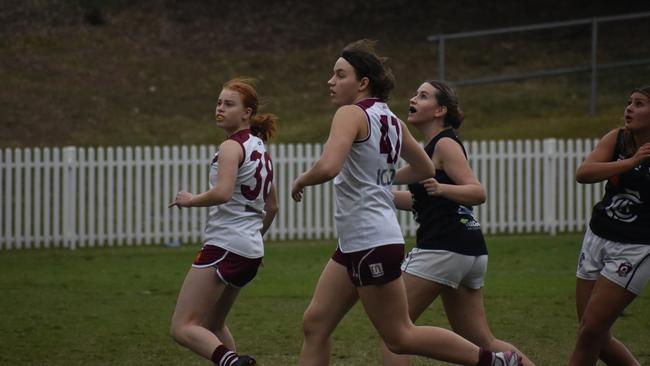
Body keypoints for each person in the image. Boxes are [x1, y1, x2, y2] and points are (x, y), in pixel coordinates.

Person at [291, 39, 522, 366]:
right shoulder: (391, 119)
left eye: (340, 75)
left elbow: (329, 166)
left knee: (400, 336)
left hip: (371, 240)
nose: (331, 81)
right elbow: (425, 169)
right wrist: (381, 179)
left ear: (363, 83)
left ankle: (493, 362)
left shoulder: (350, 114)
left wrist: (301, 179)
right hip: (356, 241)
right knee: (315, 323)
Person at [380, 80, 534, 366]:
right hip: (467, 249)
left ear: (440, 110)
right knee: (482, 340)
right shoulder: (428, 150)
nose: (413, 98)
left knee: (395, 331)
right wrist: (379, 194)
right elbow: (419, 201)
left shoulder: (446, 144)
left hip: (444, 248)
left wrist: (443, 190)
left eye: (422, 96)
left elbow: (477, 192)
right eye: (414, 93)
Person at [168, 78, 278, 366]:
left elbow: (222, 192)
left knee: (183, 326)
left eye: (229, 104)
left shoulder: (231, 147)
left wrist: (189, 199)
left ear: (247, 113)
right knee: (213, 326)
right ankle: (233, 361)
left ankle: (233, 362)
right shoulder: (260, 148)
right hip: (250, 250)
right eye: (218, 102)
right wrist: (254, 239)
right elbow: (273, 206)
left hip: (225, 245)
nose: (220, 108)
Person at [569, 85, 650, 366]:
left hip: (634, 248)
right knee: (593, 336)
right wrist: (631, 162)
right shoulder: (617, 139)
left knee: (591, 331)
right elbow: (584, 173)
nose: (629, 108)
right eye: (629, 102)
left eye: (639, 104)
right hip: (596, 237)